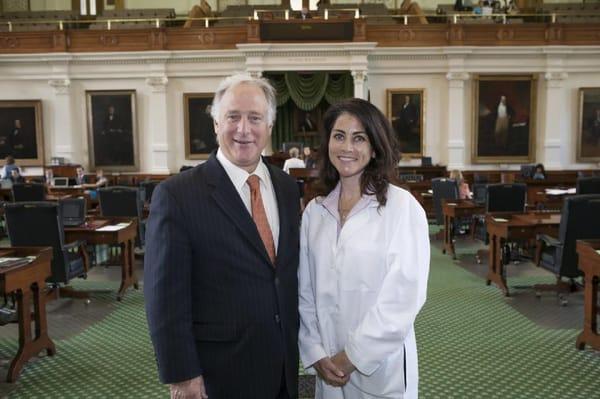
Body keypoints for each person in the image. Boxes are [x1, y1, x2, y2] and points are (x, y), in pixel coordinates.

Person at [144, 74, 301, 398]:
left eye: (255, 118)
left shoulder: (286, 188)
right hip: (218, 374)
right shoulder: (177, 195)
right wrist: (183, 375)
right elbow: (164, 299)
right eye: (233, 116)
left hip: (283, 366)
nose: (244, 129)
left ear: (269, 127)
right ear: (216, 123)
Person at [298, 98, 430, 398]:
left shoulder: (401, 207)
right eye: (339, 136)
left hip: (380, 369)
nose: (347, 147)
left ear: (375, 148)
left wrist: (352, 357)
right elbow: (304, 293)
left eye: (359, 138)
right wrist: (316, 352)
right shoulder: (315, 212)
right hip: (327, 365)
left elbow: (403, 298)